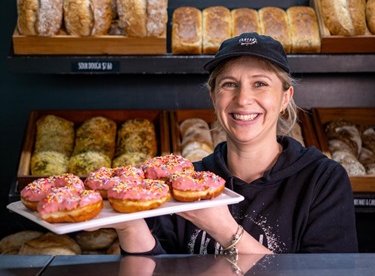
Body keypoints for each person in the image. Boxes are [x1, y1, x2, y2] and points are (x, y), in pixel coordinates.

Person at [108, 32, 358, 255]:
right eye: (229, 84)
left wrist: (223, 229)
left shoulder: (321, 180)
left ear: (285, 97)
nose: (243, 99)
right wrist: (129, 226)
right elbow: (154, 269)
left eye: (260, 84)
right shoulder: (184, 181)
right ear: (213, 96)